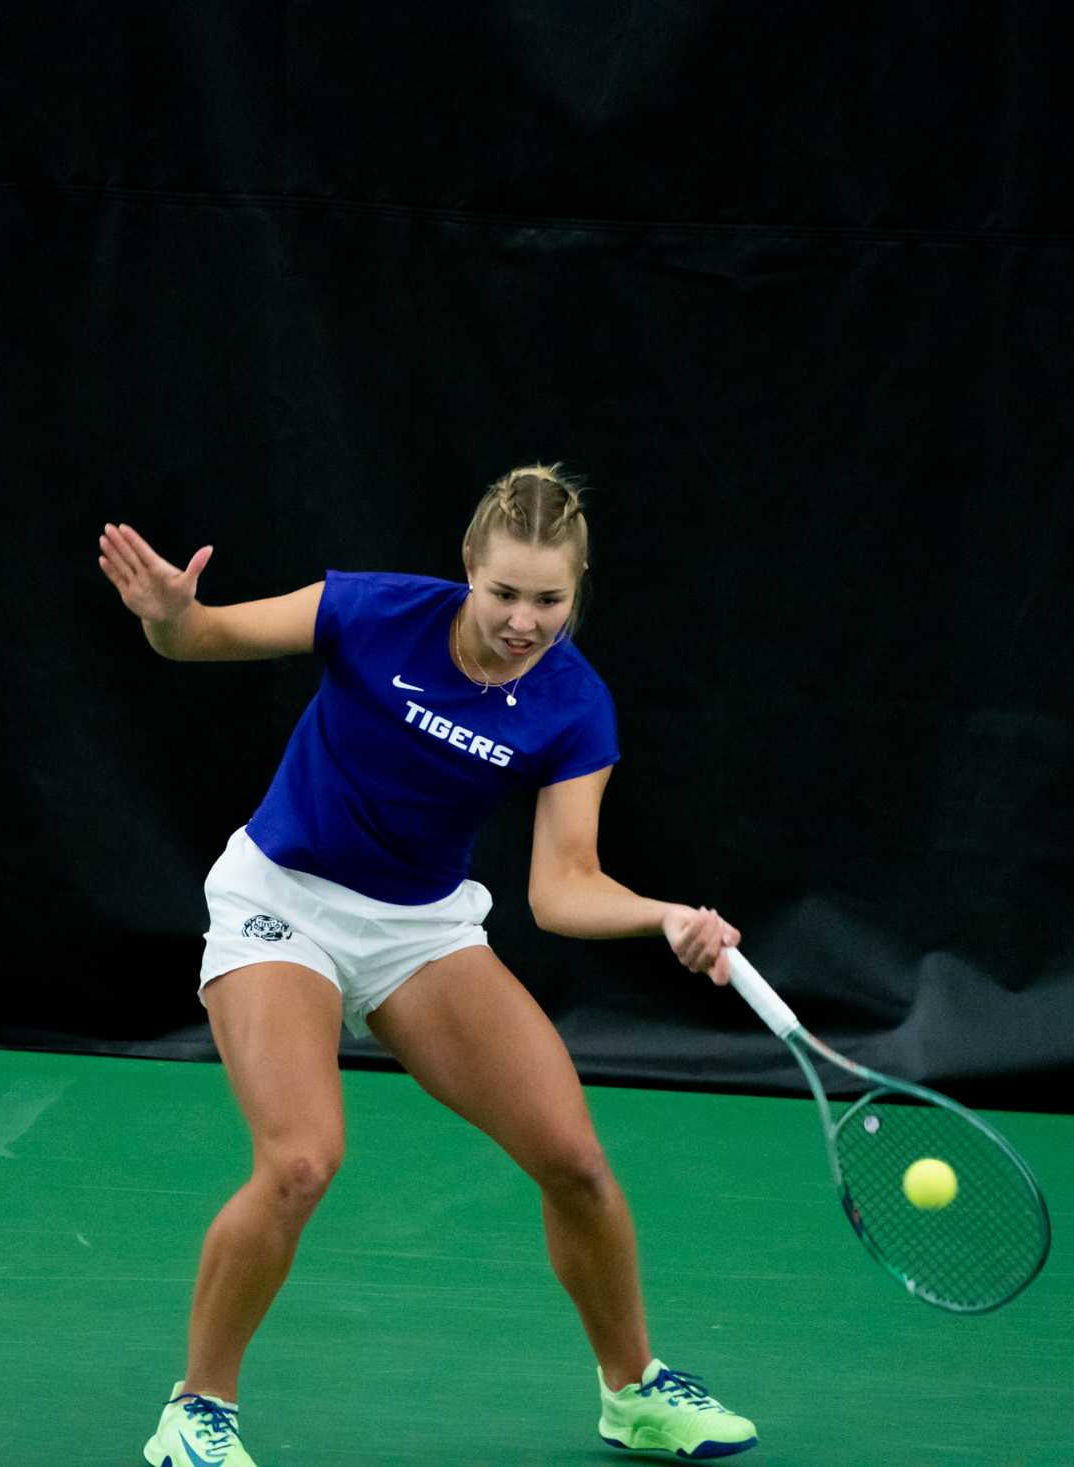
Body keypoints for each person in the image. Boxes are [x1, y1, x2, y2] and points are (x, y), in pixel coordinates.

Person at [98, 465, 759, 1465]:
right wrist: (167, 616)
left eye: (549, 600)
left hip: (421, 931)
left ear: (576, 591)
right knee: (300, 1161)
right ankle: (198, 1411)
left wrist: (661, 916)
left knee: (573, 1163)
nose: (524, 620)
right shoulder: (372, 612)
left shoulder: (575, 704)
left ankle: (633, 1392)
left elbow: (562, 885)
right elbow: (200, 636)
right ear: (468, 571)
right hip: (283, 903)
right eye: (504, 593)